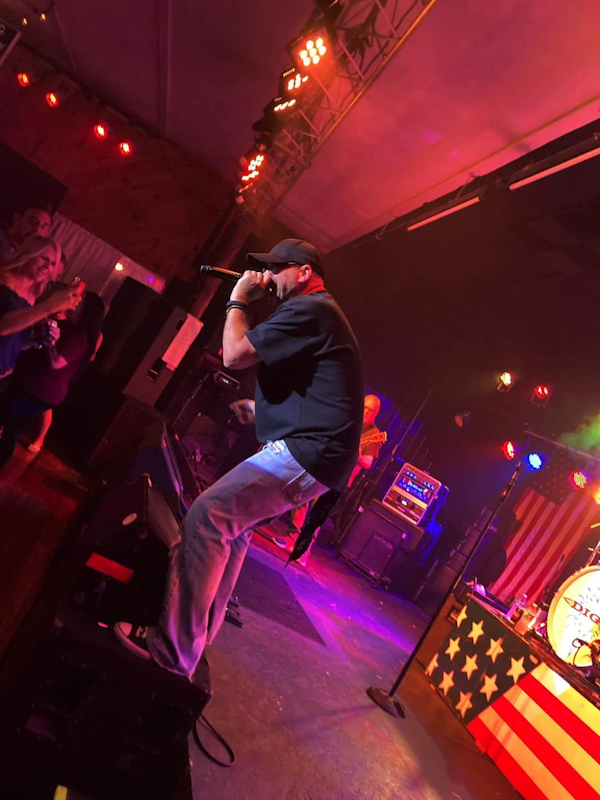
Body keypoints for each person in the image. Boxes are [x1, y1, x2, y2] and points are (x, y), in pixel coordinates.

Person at [115, 238, 364, 679]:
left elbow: (233, 355)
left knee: (208, 516)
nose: (267, 276)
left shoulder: (311, 309)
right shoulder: (316, 314)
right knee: (236, 528)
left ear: (304, 272)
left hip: (309, 453)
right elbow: (317, 391)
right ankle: (200, 634)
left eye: (276, 268)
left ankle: (174, 651)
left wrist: (237, 300)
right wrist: (261, 411)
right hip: (317, 455)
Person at [0, 291, 106, 468]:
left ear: (87, 311)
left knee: (11, 429)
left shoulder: (81, 337)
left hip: (39, 389)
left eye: (79, 303)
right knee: (11, 429)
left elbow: (57, 362)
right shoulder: (72, 328)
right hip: (36, 386)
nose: (74, 304)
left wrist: (50, 343)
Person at [285, 394, 384, 566]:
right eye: (365, 407)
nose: (366, 412)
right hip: (323, 469)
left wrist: (357, 454)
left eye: (371, 410)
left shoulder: (374, 435)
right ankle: (293, 538)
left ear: (376, 414)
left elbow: (367, 463)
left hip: (338, 480)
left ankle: (302, 552)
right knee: (299, 495)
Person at [0, 236, 80, 382]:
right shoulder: (3, 279)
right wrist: (49, 306)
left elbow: (13, 340)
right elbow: (3, 326)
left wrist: (38, 338)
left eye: (53, 263)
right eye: (44, 258)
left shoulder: (31, 297)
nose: (47, 267)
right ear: (28, 254)